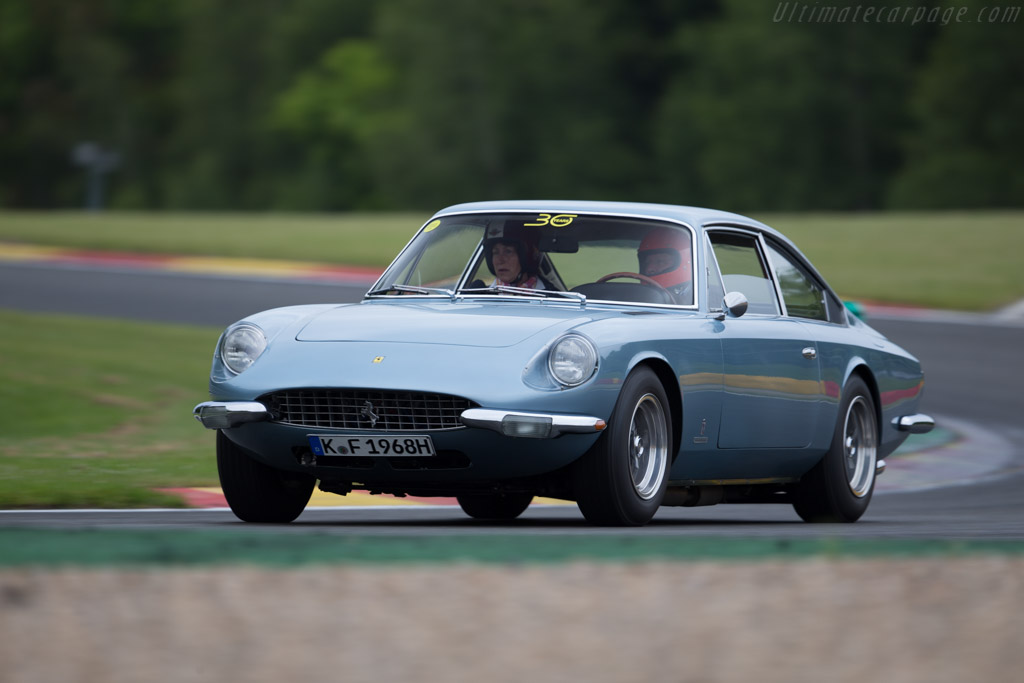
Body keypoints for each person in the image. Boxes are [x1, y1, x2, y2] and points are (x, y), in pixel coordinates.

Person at [637, 227, 693, 304]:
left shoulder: (705, 299)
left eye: (660, 262)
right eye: (647, 263)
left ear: (685, 263)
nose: (649, 269)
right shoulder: (636, 296)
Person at [482, 222, 545, 289]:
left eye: (508, 251)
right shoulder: (479, 296)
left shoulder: (551, 297)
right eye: (495, 252)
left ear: (527, 257)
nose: (500, 260)